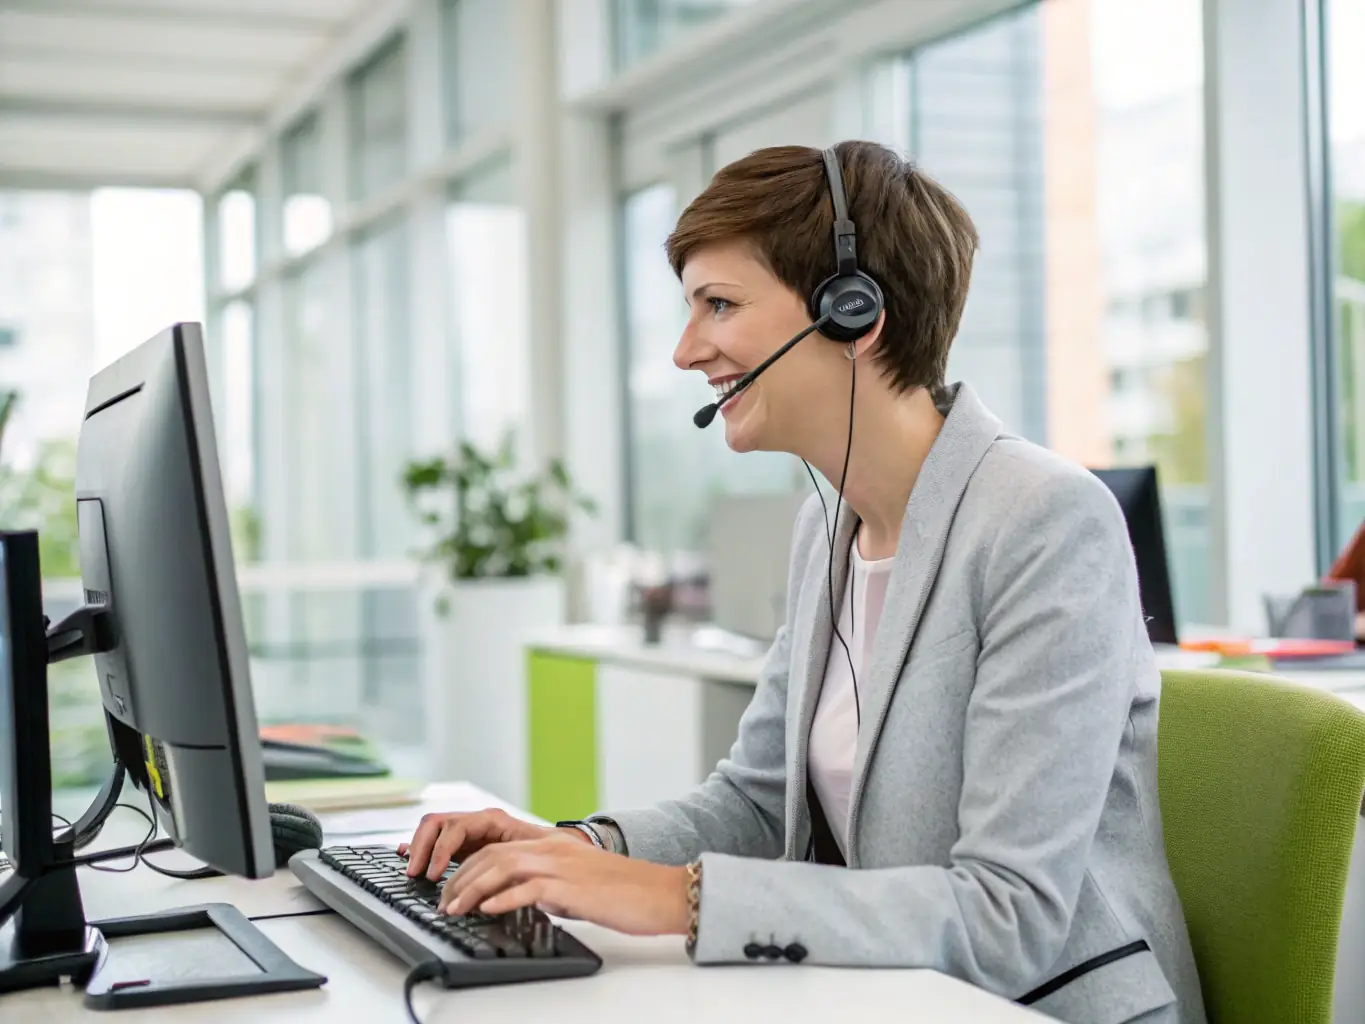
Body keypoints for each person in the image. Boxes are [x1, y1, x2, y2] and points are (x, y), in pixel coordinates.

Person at [400, 141, 1207, 1024]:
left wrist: (678, 900)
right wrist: (573, 849)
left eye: (719, 306)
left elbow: (1007, 916)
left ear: (851, 313)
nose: (683, 351)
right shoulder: (828, 528)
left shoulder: (1045, 521)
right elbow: (753, 801)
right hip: (896, 996)